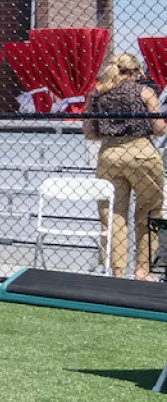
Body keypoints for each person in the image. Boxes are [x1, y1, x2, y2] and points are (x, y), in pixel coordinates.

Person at [82, 53, 165, 281]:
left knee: (113, 214)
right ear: (135, 72)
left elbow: (89, 133)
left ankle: (116, 271)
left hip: (109, 154)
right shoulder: (145, 92)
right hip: (141, 152)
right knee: (149, 210)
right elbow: (159, 129)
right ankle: (142, 270)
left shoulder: (96, 94)